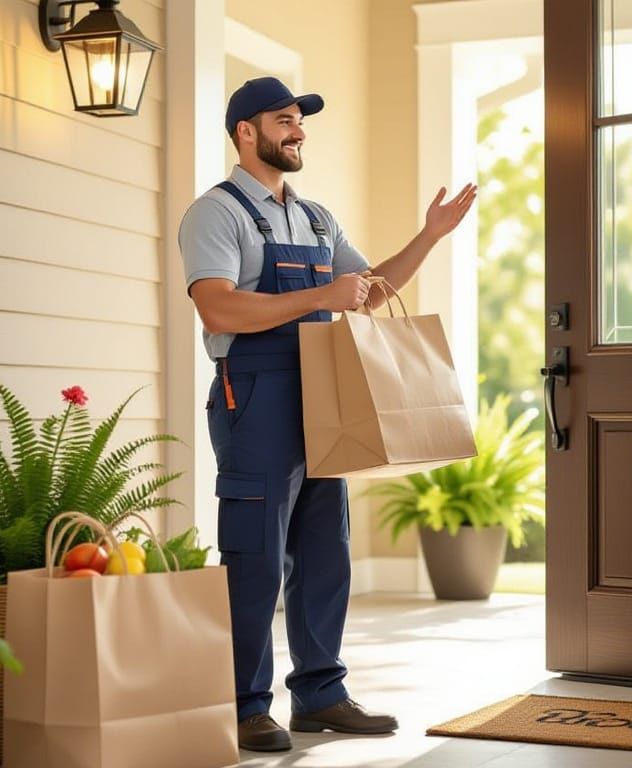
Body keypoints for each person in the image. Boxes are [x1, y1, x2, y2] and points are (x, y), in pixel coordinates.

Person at [177, 76, 476, 753]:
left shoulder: (315, 218)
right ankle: (245, 703)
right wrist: (324, 291)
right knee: (252, 552)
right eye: (283, 120)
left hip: (321, 393)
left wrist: (429, 237)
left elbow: (367, 294)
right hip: (252, 395)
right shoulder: (215, 214)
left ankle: (320, 693)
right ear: (245, 132)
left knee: (323, 548)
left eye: (300, 120)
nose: (298, 129)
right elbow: (219, 308)